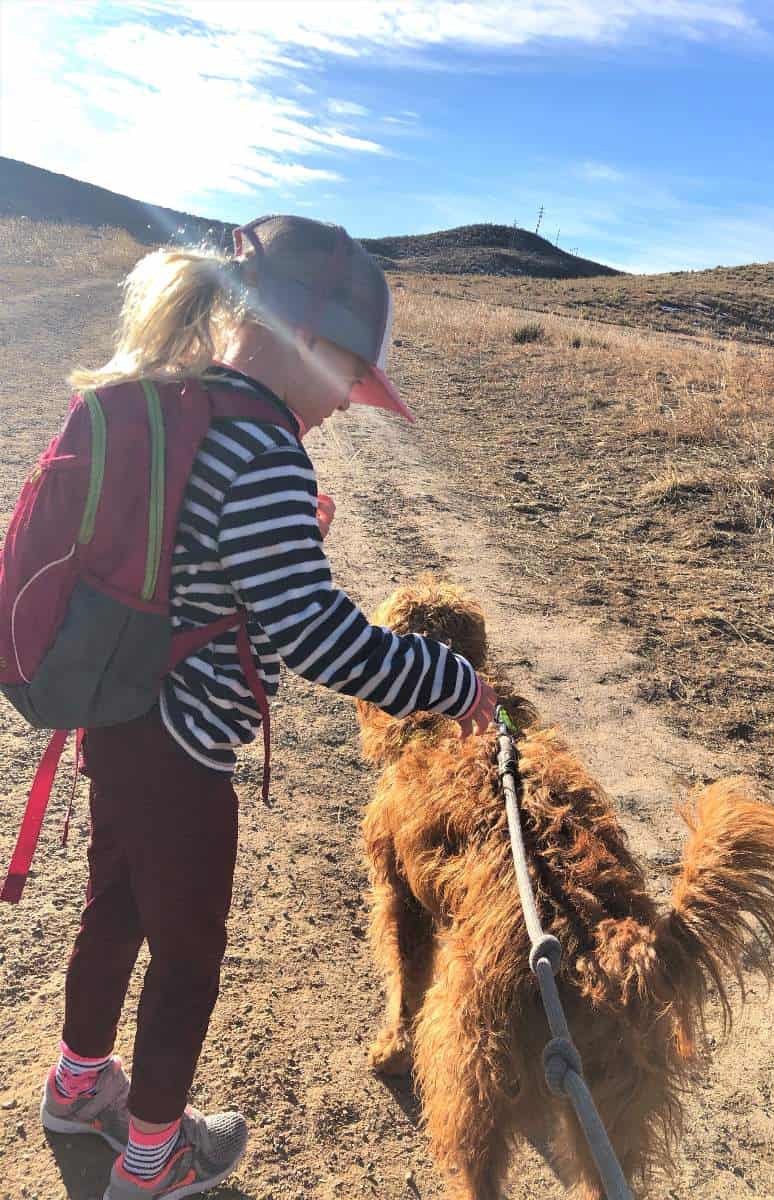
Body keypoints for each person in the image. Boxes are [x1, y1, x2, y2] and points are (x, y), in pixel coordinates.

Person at [37, 215, 498, 1200]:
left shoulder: (196, 406)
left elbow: (215, 561)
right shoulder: (268, 452)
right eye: (349, 379)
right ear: (307, 343)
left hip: (119, 719)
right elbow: (316, 634)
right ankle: (152, 1157)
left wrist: (294, 534)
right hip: (183, 748)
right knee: (191, 955)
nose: (346, 406)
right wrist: (453, 684)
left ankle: (78, 1086)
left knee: (113, 906)